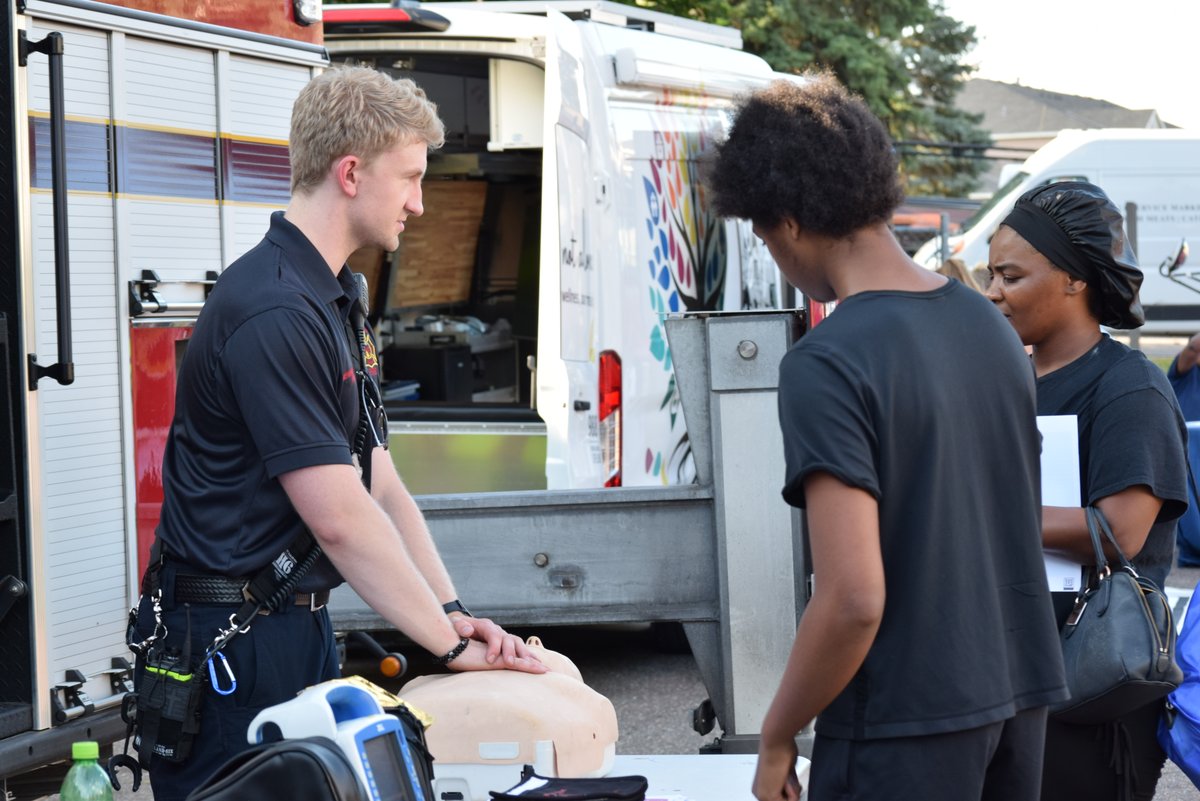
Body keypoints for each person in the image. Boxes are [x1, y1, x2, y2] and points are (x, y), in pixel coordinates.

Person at [129, 66, 546, 801]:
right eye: (410, 178)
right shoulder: (275, 310)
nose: (420, 203)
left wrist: (454, 616)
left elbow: (380, 484)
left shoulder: (335, 298)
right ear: (351, 172)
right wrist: (445, 646)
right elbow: (341, 517)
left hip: (297, 631)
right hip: (232, 647)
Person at [705, 75, 1067, 801]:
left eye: (762, 231)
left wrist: (777, 733)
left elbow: (853, 596)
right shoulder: (990, 328)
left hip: (902, 722)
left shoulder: (827, 360)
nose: (772, 251)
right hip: (1019, 697)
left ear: (788, 219)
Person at [984, 180, 1189, 801]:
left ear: (1074, 279)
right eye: (992, 275)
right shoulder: (1004, 379)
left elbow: (1118, 532)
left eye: (1010, 277)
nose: (992, 292)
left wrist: (976, 514)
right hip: (1006, 672)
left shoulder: (1129, 389)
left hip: (1093, 693)